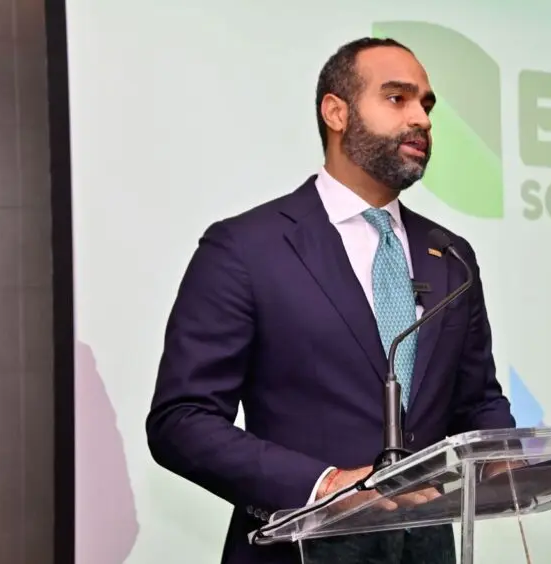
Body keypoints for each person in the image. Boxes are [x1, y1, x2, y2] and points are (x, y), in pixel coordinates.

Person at [145, 37, 517, 564]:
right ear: (336, 112)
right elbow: (182, 420)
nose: (421, 119)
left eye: (426, 105)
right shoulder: (247, 248)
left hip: (425, 549)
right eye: (397, 98)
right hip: (297, 550)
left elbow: (476, 401)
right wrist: (325, 485)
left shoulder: (451, 255)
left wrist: (509, 458)